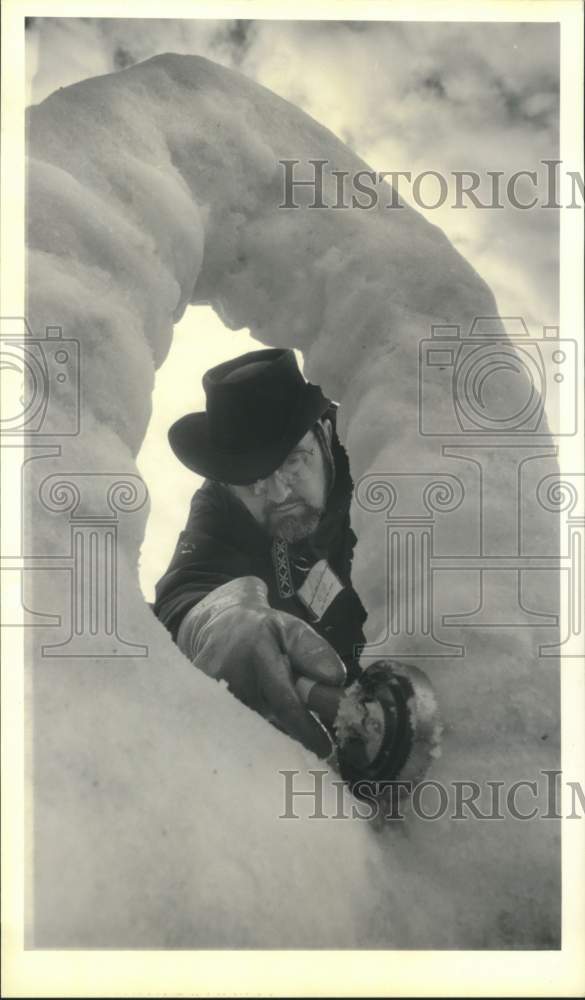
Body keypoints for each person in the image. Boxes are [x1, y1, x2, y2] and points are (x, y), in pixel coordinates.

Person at [153, 348, 368, 758]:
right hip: (317, 708)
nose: (278, 493)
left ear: (324, 433)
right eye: (252, 481)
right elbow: (188, 586)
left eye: (292, 463)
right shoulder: (221, 504)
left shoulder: (375, 456)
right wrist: (222, 620)